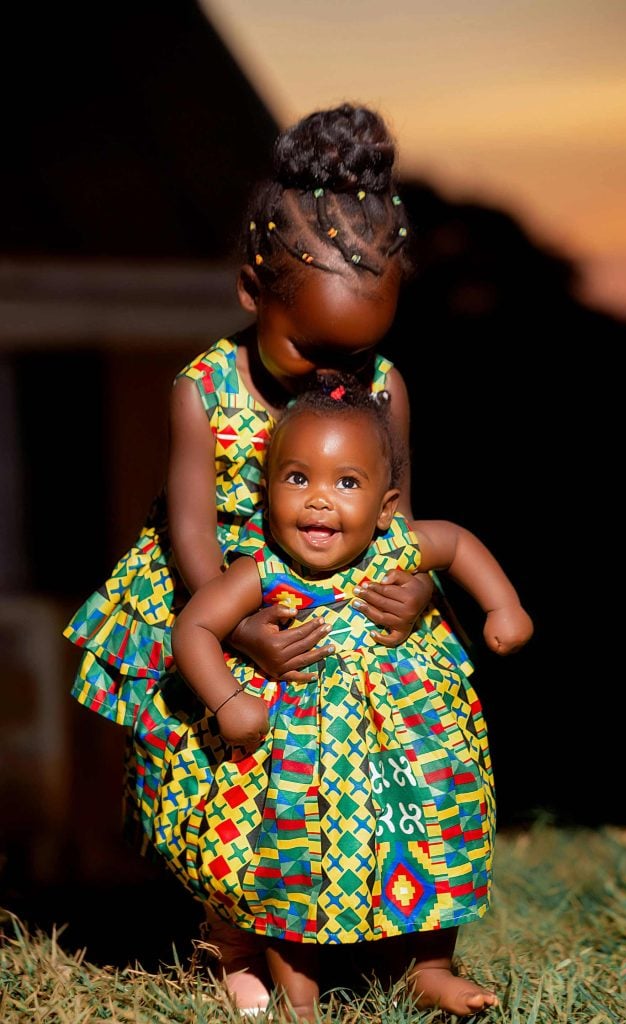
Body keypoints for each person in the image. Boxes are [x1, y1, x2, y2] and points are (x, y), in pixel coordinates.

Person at [62, 103, 465, 1009]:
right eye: (307, 347)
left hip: (344, 604)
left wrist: (420, 590)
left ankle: (394, 942)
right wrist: (238, 624)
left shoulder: (384, 387)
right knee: (215, 782)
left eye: (355, 353)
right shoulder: (203, 390)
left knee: (394, 771)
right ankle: (235, 940)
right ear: (252, 291)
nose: (333, 377)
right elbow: (190, 526)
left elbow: (400, 512)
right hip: (222, 601)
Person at [168, 376, 533, 1021]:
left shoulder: (400, 545)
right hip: (294, 762)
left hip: (405, 755)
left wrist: (504, 605)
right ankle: (297, 994)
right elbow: (193, 627)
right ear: (266, 491)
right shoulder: (260, 571)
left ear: (387, 506)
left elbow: (457, 540)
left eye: (346, 484)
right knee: (288, 862)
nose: (318, 502)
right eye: (297, 478)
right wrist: (228, 701)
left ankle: (427, 969)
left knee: (430, 836)